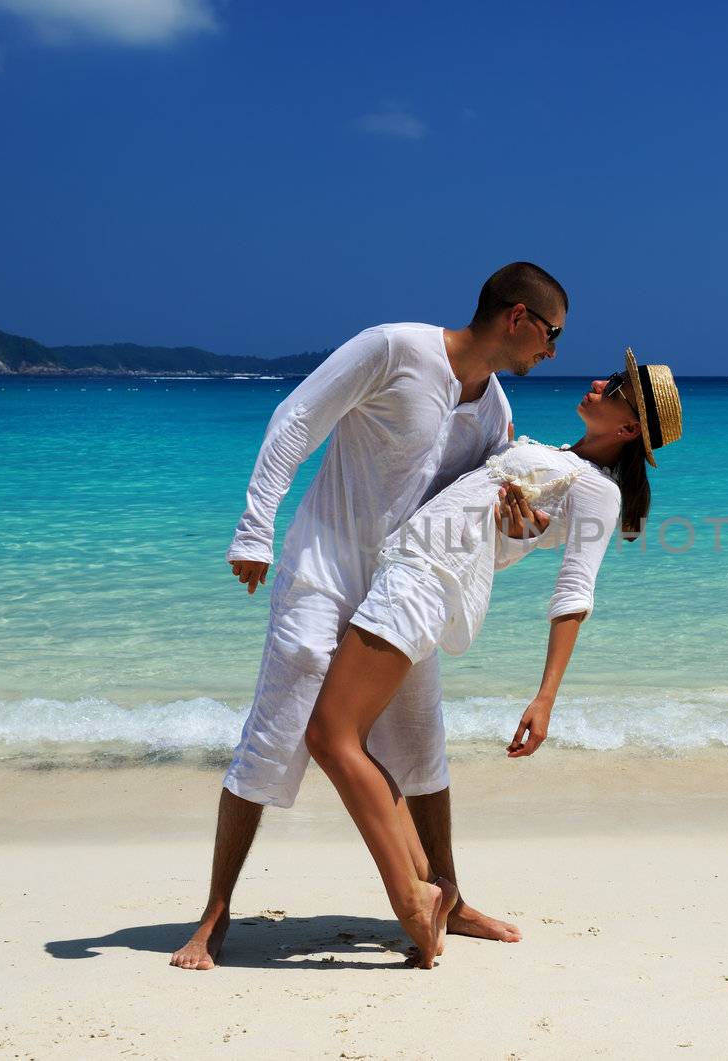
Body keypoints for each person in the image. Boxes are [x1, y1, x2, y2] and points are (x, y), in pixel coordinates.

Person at [170, 262, 568, 971]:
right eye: (551, 333)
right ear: (516, 317)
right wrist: (255, 528)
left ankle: (451, 893)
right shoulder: (395, 348)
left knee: (422, 742)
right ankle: (216, 912)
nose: (554, 352)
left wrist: (520, 523)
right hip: (321, 574)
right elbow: (297, 418)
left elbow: (478, 522)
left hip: (403, 591)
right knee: (274, 733)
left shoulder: (497, 413)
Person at [303, 351, 683, 967]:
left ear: (630, 427)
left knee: (330, 735)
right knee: (397, 754)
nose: (594, 381)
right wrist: (521, 530)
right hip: (409, 573)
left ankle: (413, 903)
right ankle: (441, 896)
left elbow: (574, 593)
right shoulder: (563, 459)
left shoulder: (598, 492)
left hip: (426, 581)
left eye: (611, 385)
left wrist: (545, 697)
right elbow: (493, 520)